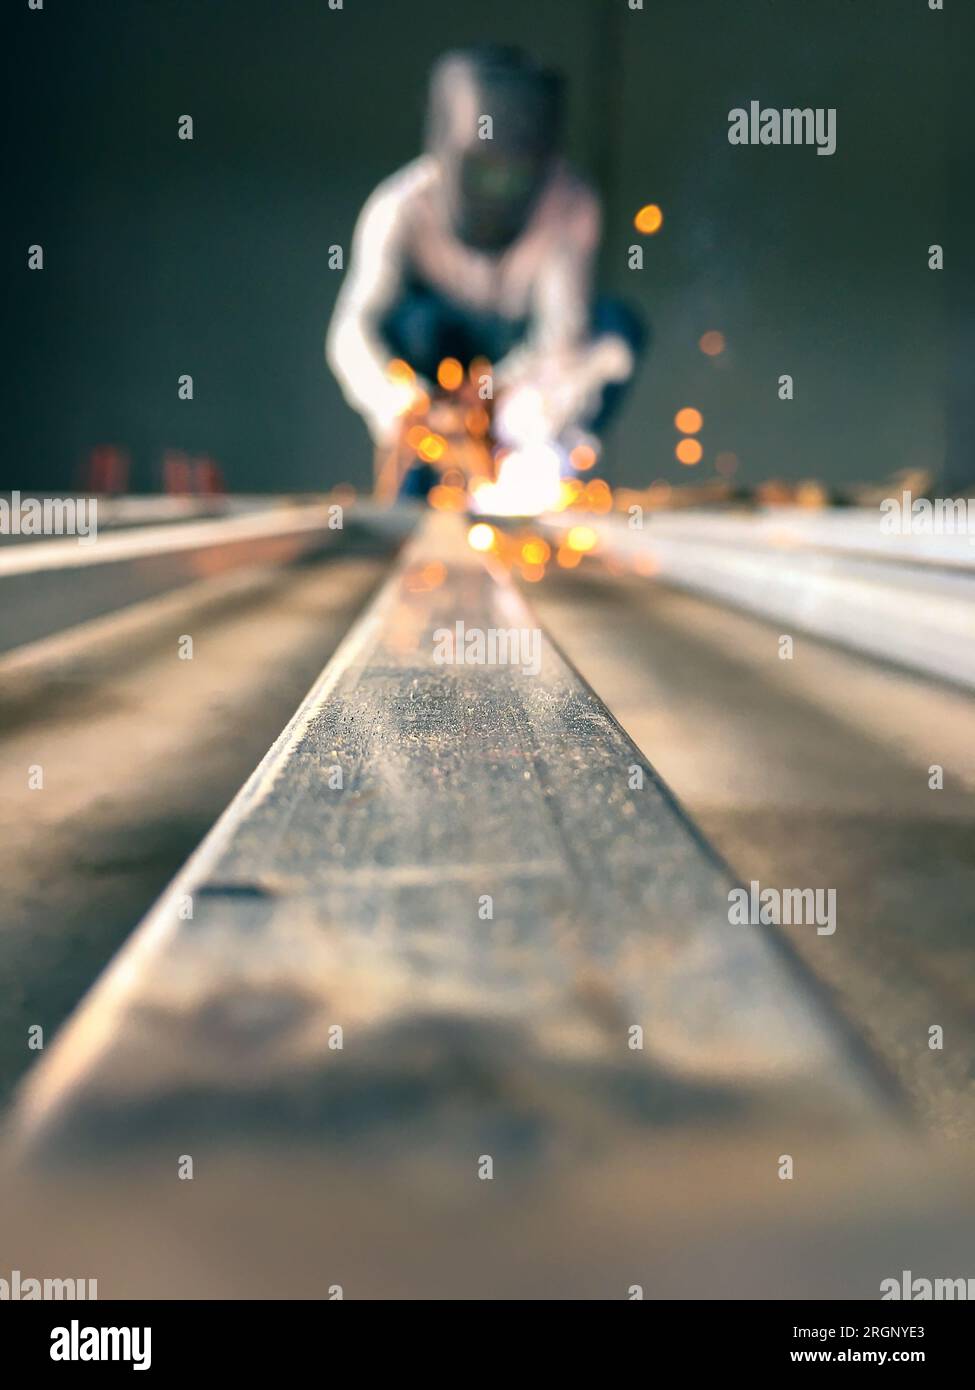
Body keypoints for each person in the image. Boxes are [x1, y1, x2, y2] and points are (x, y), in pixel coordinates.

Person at [326, 45, 644, 505]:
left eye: (516, 176)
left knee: (617, 329)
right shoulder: (398, 208)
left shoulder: (571, 205)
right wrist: (406, 405)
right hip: (433, 370)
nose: (499, 191)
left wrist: (501, 400)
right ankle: (417, 498)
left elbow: (561, 337)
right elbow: (350, 333)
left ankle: (541, 474)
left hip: (520, 372)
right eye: (484, 172)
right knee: (417, 326)